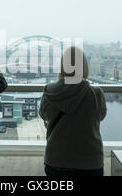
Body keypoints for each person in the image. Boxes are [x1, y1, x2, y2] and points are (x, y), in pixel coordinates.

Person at [39, 46, 107, 176]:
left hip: (56, 160)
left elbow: (43, 114)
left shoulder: (49, 91)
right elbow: (101, 116)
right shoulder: (96, 93)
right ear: (84, 66)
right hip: (90, 162)